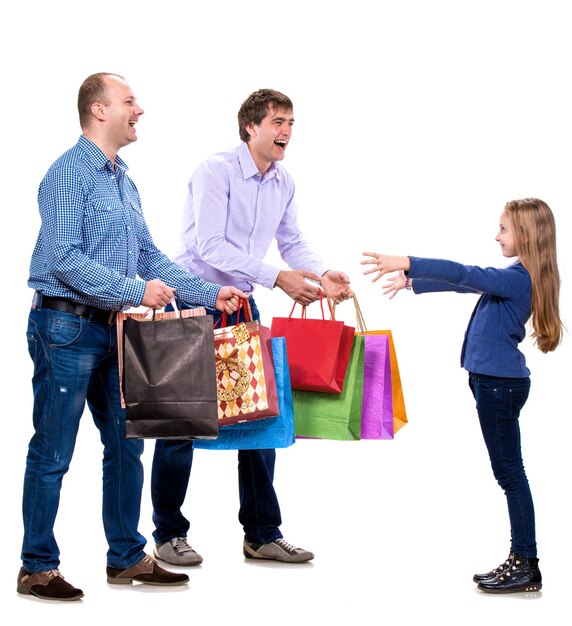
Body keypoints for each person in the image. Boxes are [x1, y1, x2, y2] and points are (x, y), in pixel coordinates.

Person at [19, 72, 246, 601]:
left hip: (114, 330)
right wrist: (133, 289)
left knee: (126, 444)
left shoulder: (124, 178)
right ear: (99, 110)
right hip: (65, 327)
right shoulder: (67, 173)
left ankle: (125, 557)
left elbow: (150, 257)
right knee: (53, 451)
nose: (139, 109)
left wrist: (210, 294)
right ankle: (37, 567)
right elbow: (63, 259)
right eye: (129, 101)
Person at [150, 88, 352, 566]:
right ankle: (167, 534)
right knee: (180, 423)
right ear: (251, 128)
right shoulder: (215, 171)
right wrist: (276, 277)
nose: (286, 131)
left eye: (290, 122)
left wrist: (321, 273)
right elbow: (208, 247)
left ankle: (262, 534)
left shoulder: (283, 182)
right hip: (193, 301)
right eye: (277, 121)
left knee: (263, 418)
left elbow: (292, 240)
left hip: (242, 305)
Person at [362, 197, 562, 593]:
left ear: (525, 233)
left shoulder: (519, 278)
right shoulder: (516, 274)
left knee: (511, 475)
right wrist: (414, 282)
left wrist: (408, 261)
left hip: (499, 386)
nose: (497, 235)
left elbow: (465, 272)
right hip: (495, 384)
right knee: (509, 473)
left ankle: (525, 562)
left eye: (503, 228)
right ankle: (522, 559)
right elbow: (462, 283)